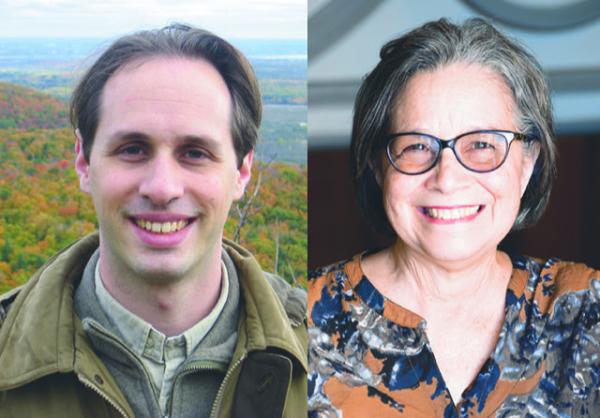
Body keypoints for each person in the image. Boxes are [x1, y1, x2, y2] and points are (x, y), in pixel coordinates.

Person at [0, 24, 306, 418]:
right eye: (132, 149)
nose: (162, 188)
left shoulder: (326, 348)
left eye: (195, 153)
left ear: (242, 171)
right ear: (84, 161)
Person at [308, 18, 600, 417]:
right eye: (416, 146)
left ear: (528, 161)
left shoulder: (586, 313)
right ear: (378, 165)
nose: (447, 178)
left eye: (482, 144)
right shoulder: (302, 322)